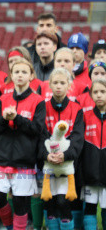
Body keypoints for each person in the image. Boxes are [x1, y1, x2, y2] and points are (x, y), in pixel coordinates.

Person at [0, 58, 46, 230]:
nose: (20, 75)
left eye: (24, 72)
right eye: (16, 72)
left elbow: (37, 129)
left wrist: (17, 118)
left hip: (24, 161)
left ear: (31, 76)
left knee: (20, 202)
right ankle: (8, 226)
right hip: (2, 159)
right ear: (11, 76)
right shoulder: (2, 99)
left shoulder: (38, 101)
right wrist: (5, 120)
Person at [38, 68, 84, 230]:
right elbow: (40, 136)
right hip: (48, 165)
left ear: (69, 86)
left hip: (68, 165)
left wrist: (65, 155)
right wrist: (45, 155)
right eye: (55, 82)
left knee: (64, 203)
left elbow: (78, 139)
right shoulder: (42, 107)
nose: (58, 86)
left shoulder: (76, 109)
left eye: (62, 83)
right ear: (49, 85)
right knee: (50, 204)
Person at [81, 79, 106, 230]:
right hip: (89, 174)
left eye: (103, 92)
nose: (99, 95)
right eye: (95, 92)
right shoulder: (85, 116)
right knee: (89, 209)